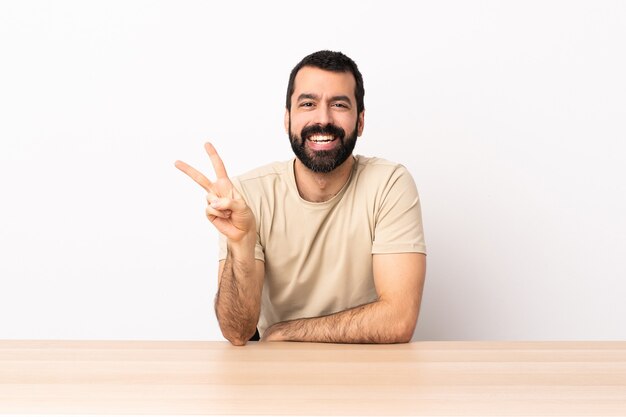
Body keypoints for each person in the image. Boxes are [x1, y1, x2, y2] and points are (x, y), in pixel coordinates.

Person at [175, 50, 426, 346]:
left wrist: (285, 332)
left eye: (339, 104)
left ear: (360, 121)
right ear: (287, 119)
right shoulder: (247, 196)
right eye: (308, 104)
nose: (323, 119)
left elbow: (399, 320)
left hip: (366, 371)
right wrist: (241, 244)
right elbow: (237, 332)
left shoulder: (389, 184)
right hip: (275, 375)